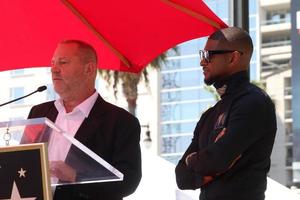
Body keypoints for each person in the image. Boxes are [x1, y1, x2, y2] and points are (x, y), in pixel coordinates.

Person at [27, 40, 142, 200]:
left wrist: (76, 176)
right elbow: (24, 166)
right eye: (53, 63)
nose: (54, 69)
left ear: (89, 69)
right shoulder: (38, 112)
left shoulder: (120, 121)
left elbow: (128, 182)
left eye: (63, 62)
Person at [175, 27, 277, 200]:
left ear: (233, 57)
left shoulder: (254, 102)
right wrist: (208, 163)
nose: (202, 62)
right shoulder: (210, 115)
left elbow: (216, 160)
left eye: (209, 55)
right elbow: (182, 177)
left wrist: (193, 160)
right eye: (202, 54)